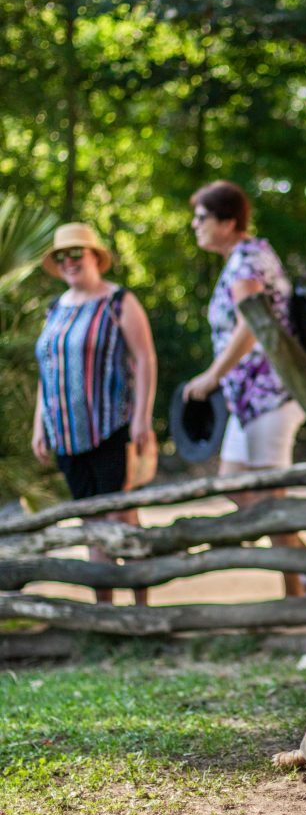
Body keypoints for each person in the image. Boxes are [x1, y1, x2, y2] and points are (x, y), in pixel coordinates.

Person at [183, 180, 306, 597]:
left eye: (201, 217)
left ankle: (295, 591)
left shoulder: (246, 262)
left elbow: (251, 327)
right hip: (249, 401)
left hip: (269, 395)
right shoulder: (242, 258)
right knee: (235, 483)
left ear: (228, 221)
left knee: (271, 497)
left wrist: (211, 376)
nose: (195, 225)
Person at [33, 222, 157, 604]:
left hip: (111, 427)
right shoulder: (55, 307)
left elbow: (145, 357)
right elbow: (47, 368)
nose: (68, 261)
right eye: (61, 256)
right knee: (89, 522)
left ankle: (141, 608)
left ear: (93, 257)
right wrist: (39, 424)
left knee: (121, 515)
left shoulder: (119, 301)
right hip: (65, 434)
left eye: (76, 253)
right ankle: (105, 610)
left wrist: (141, 418)